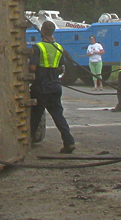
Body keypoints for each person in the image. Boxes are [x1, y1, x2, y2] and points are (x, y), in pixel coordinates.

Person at [30, 21, 75, 154]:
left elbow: (32, 67)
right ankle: (69, 142)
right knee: (58, 115)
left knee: (35, 116)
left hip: (40, 87)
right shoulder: (58, 47)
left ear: (42, 30)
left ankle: (27, 142)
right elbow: (61, 67)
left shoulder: (38, 47)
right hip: (55, 86)